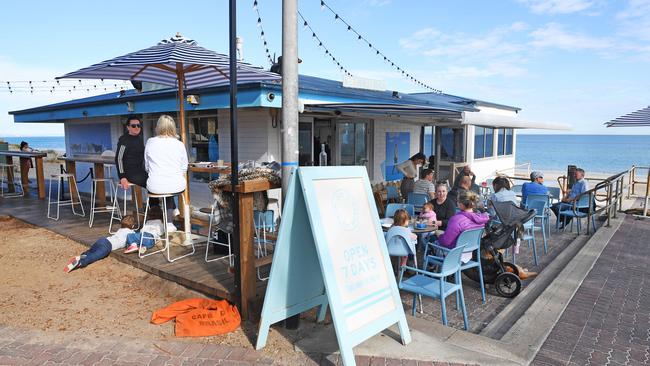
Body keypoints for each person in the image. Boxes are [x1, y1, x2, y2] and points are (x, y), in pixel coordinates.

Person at [144, 115, 189, 222]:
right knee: (169, 188)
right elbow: (184, 168)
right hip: (177, 185)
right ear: (173, 127)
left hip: (154, 185)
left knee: (163, 187)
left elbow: (147, 167)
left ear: (158, 127)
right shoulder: (179, 144)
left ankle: (166, 219)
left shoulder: (150, 142)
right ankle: (170, 220)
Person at [64, 215, 136, 273]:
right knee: (95, 256)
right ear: (132, 226)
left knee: (91, 251)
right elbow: (133, 240)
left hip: (103, 240)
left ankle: (82, 256)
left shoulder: (120, 230)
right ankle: (81, 262)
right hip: (107, 246)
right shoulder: (131, 233)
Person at [437, 191, 489, 262]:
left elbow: (446, 242)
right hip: (470, 253)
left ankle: (432, 269)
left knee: (430, 241)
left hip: (454, 254)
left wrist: (439, 235)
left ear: (461, 204)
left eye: (457, 201)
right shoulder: (481, 220)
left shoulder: (456, 220)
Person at [116, 115, 147, 190]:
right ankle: (156, 201)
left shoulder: (139, 138)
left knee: (157, 181)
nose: (136, 127)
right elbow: (119, 158)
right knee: (152, 183)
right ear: (128, 127)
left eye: (138, 125)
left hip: (140, 171)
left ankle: (156, 201)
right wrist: (122, 177)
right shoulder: (124, 140)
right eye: (133, 126)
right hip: (130, 174)